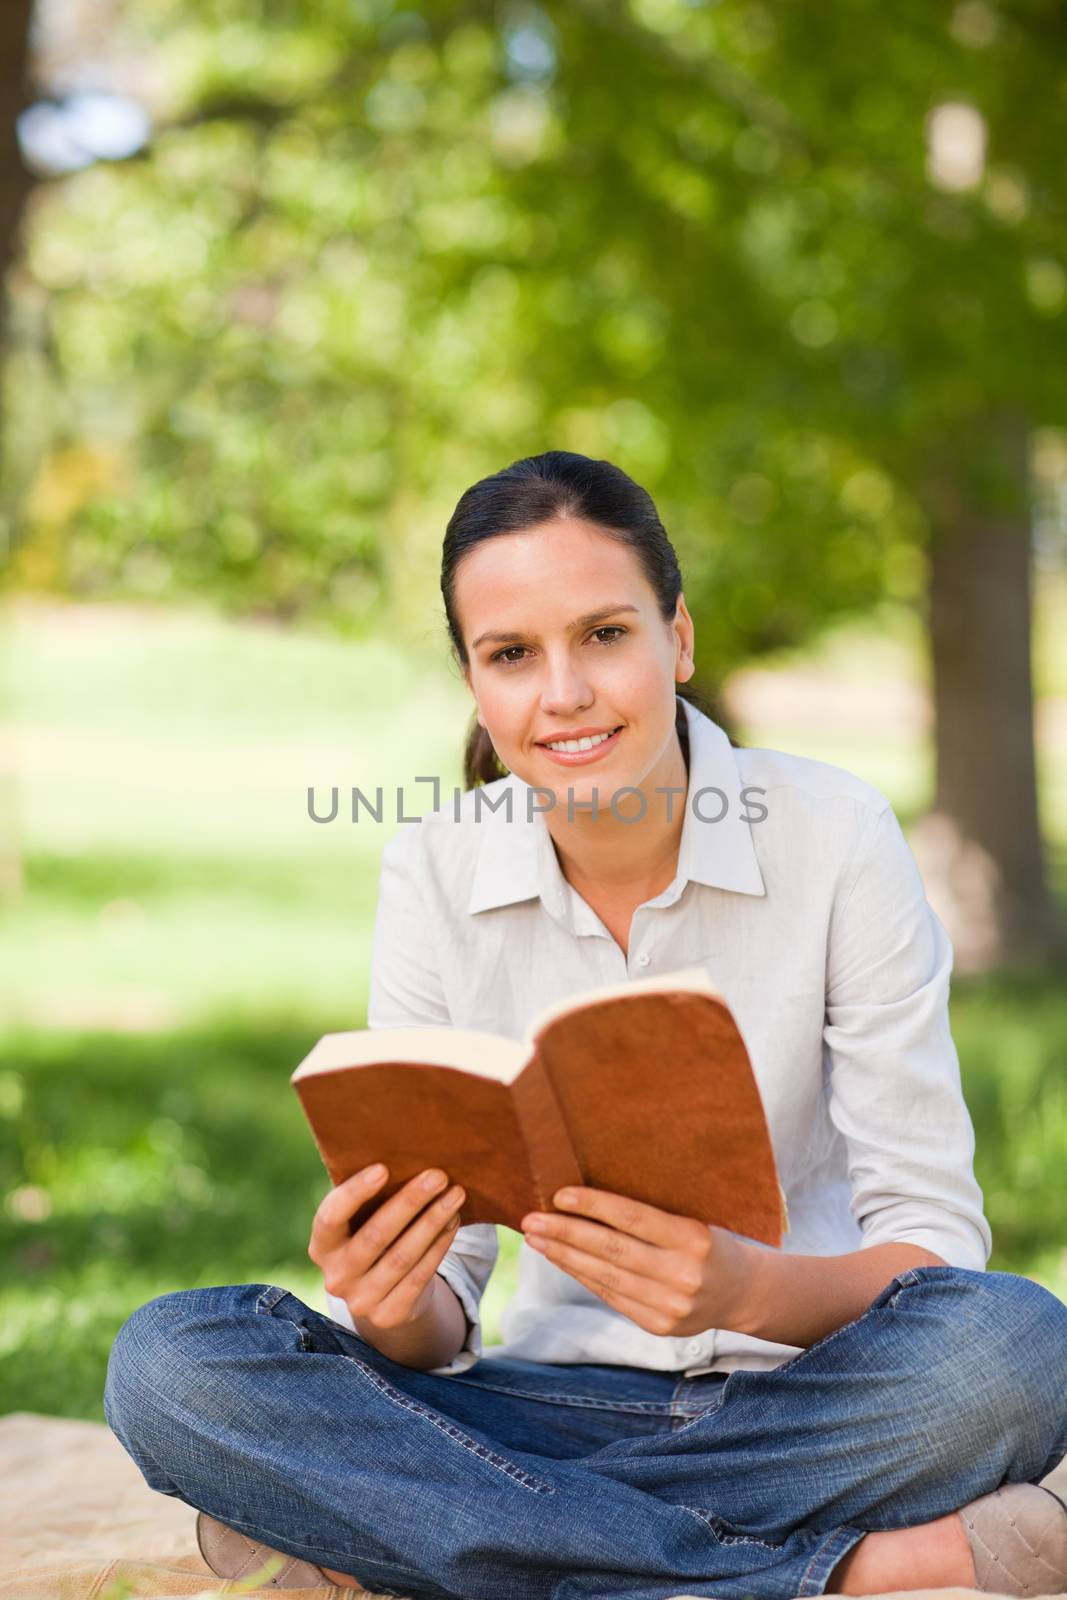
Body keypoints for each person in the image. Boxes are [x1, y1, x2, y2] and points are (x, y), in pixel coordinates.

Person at [104, 451, 1067, 1600]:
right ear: (474, 680)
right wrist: (391, 1293)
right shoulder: (432, 865)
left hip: (817, 1398)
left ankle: (412, 1539)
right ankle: (848, 1570)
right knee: (170, 1365)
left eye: (604, 635)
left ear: (680, 639)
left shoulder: (834, 833)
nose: (561, 692)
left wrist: (742, 1291)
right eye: (511, 654)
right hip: (545, 1400)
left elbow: (932, 1246)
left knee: (1012, 1350)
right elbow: (438, 1319)